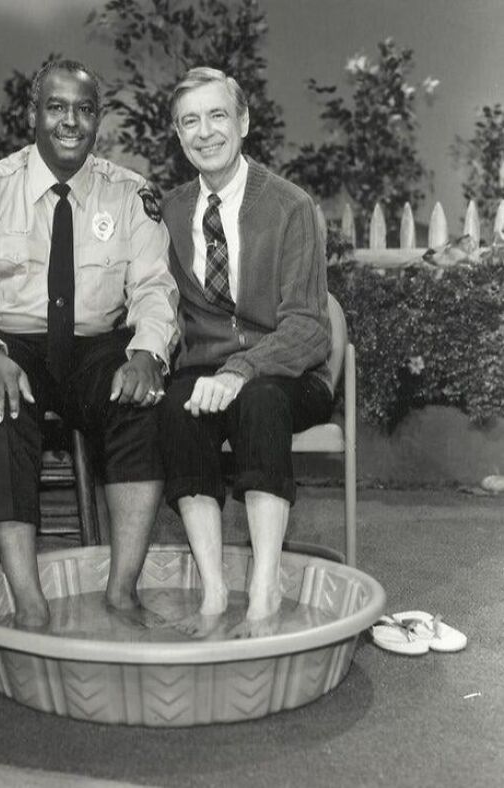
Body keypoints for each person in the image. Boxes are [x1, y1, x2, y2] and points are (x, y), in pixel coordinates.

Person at [0, 59, 179, 630]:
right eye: (57, 107)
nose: (71, 121)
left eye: (84, 109)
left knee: (140, 403)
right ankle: (29, 601)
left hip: (95, 346)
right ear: (33, 114)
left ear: (98, 120)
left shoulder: (130, 194)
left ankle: (121, 592)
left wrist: (147, 352)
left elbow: (155, 289)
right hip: (10, 345)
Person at [159, 67, 333, 638]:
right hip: (207, 373)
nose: (204, 132)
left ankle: (264, 588)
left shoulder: (290, 206)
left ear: (243, 122)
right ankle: (212, 592)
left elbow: (309, 328)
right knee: (176, 406)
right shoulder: (169, 211)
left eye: (216, 116)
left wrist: (241, 368)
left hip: (287, 374)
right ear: (178, 135)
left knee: (258, 401)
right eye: (190, 121)